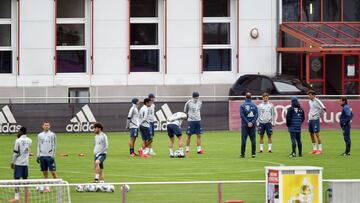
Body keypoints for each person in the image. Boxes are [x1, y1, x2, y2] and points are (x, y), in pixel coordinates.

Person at [9, 127, 32, 203]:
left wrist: (12, 162)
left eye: (18, 131)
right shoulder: (30, 140)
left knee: (16, 181)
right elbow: (27, 150)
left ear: (21, 132)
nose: (17, 133)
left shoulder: (17, 140)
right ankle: (27, 200)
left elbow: (15, 153)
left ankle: (16, 197)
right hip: (26, 164)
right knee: (26, 181)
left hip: (18, 163)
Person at [36, 121, 58, 193]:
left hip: (49, 157)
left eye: (48, 125)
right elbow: (38, 146)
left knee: (53, 172)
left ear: (49, 126)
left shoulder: (52, 135)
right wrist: (38, 155)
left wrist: (52, 155)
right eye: (45, 125)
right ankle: (47, 188)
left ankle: (59, 186)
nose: (46, 126)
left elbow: (54, 145)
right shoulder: (39, 135)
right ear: (43, 126)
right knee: (45, 173)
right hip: (42, 156)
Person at [240, 92, 258, 158]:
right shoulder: (254, 105)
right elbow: (256, 115)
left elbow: (242, 115)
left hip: (245, 125)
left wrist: (247, 122)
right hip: (252, 125)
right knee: (253, 140)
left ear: (245, 97)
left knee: (244, 140)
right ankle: (253, 154)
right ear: (251, 97)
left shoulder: (242, 105)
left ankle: (242, 154)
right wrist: (252, 122)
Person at [307, 90, 326, 154]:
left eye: (310, 95)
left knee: (317, 134)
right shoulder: (309, 101)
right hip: (310, 119)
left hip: (315, 119)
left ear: (314, 95)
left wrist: (319, 115)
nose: (309, 96)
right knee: (311, 134)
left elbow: (324, 108)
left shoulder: (317, 101)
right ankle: (314, 149)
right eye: (308, 95)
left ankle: (320, 149)